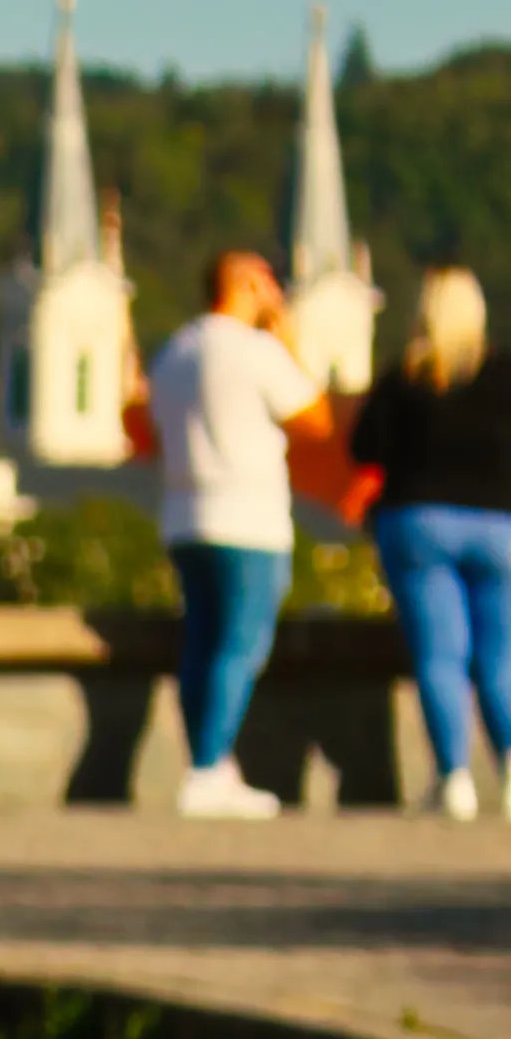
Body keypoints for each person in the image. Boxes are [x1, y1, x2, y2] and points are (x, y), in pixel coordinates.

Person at [125, 250, 332, 819]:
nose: (276, 288)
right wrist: (287, 335)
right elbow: (315, 421)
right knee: (241, 644)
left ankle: (210, 761)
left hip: (186, 518)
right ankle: (209, 768)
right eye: (267, 279)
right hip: (249, 520)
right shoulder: (256, 352)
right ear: (243, 284)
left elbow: (145, 432)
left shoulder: (176, 353)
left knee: (201, 643)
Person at [346, 268, 511, 824]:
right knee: (501, 657)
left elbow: (363, 447)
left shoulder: (405, 377)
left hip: (418, 521)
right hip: (499, 524)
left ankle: (455, 778)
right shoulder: (503, 374)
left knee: (441, 654)